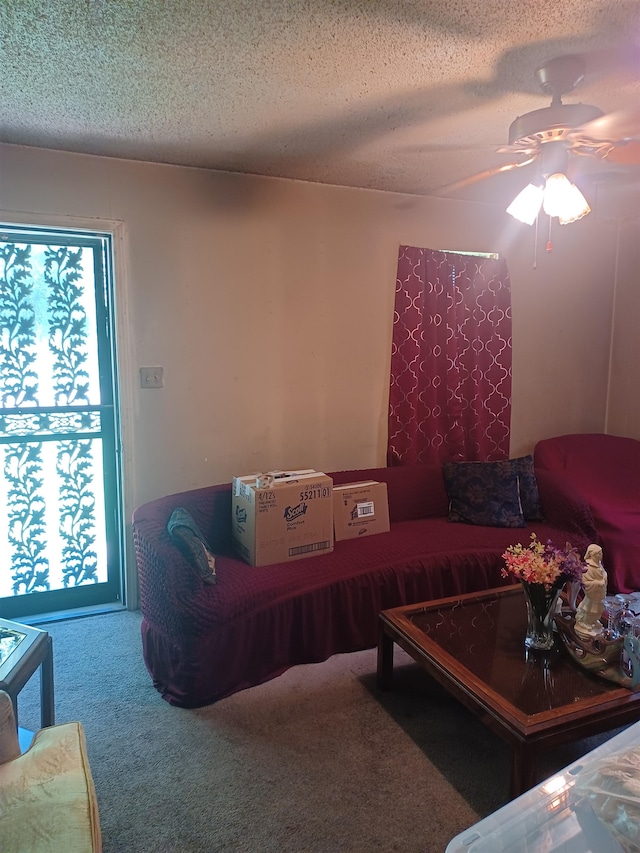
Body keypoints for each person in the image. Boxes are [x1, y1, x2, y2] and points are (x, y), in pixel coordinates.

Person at [575, 544, 607, 637]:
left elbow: (604, 574)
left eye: (601, 554)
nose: (600, 556)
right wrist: (598, 583)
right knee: (589, 609)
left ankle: (594, 621)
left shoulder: (599, 565)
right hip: (592, 595)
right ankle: (586, 623)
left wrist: (604, 577)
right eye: (598, 554)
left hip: (599, 594)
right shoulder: (588, 568)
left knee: (598, 609)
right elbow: (585, 582)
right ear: (591, 554)